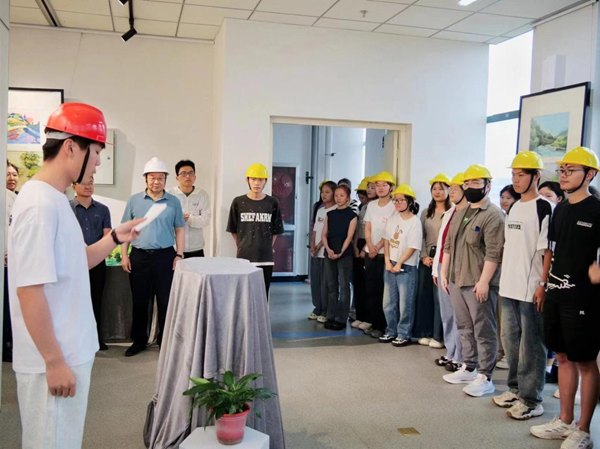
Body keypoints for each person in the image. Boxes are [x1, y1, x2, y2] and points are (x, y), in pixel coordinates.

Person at [8, 102, 143, 448]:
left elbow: (76, 260)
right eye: (96, 152)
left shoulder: (55, 199)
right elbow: (29, 291)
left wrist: (116, 237)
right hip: (55, 358)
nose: (98, 162)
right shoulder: (39, 206)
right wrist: (54, 361)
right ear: (71, 147)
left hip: (68, 351)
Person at [530, 147, 600, 449]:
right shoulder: (560, 209)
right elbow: (552, 249)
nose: (563, 175)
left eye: (571, 170)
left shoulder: (596, 210)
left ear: (590, 174)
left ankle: (583, 430)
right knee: (561, 356)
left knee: (584, 361)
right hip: (556, 293)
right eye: (562, 170)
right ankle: (565, 420)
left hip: (584, 298)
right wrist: (543, 283)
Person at [492, 151, 552, 420]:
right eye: (513, 175)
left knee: (532, 345)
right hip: (508, 285)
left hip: (531, 287)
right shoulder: (514, 206)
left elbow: (547, 250)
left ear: (536, 176)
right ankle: (516, 389)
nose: (515, 180)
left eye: (521, 175)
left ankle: (531, 399)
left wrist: (543, 283)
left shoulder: (544, 207)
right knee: (511, 342)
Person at [440, 164, 504, 397]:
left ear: (488, 186)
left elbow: (494, 252)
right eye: (467, 183)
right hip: (457, 280)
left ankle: (485, 376)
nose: (470, 187)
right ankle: (469, 366)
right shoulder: (460, 212)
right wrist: (444, 273)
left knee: (483, 329)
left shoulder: (493, 215)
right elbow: (448, 246)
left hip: (478, 282)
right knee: (464, 326)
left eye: (476, 183)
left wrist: (484, 281)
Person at [121, 157, 185, 357]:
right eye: (152, 178)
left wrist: (179, 254)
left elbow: (180, 229)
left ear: (165, 179)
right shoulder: (134, 200)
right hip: (139, 256)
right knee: (140, 301)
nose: (156, 182)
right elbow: (126, 229)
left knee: (165, 301)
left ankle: (164, 341)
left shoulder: (173, 202)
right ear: (146, 179)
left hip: (165, 257)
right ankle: (139, 340)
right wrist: (124, 255)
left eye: (160, 178)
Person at [227, 163, 284, 297]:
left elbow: (276, 230)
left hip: (266, 258)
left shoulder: (272, 202)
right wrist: (242, 246)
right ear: (247, 180)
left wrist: (266, 246)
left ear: (265, 181)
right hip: (244, 258)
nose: (257, 183)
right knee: (243, 295)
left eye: (260, 179)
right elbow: (233, 229)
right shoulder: (238, 202)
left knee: (262, 296)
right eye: (253, 179)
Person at [70, 177, 112, 351]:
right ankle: (75, 340)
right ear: (74, 186)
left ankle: (95, 339)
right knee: (73, 302)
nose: (88, 186)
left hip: (97, 262)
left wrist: (96, 252)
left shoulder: (103, 209)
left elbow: (107, 236)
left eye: (91, 182)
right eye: (83, 183)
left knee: (96, 300)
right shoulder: (66, 208)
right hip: (73, 263)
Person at [432, 173, 467, 372]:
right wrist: (436, 270)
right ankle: (451, 351)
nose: (451, 192)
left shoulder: (468, 213)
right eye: (450, 188)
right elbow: (441, 244)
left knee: (459, 314)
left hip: (458, 269)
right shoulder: (449, 213)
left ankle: (460, 356)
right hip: (442, 266)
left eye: (455, 189)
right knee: (446, 314)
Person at [379, 184, 422, 347]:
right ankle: (391, 331)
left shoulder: (415, 222)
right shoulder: (392, 219)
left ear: (409, 202)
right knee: (388, 303)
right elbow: (386, 240)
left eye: (400, 200)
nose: (397, 203)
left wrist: (399, 263)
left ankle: (404, 334)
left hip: (406, 267)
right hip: (390, 265)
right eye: (395, 200)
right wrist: (387, 261)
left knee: (405, 304)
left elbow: (413, 246)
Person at [414, 173, 451, 349]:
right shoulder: (425, 212)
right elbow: (420, 235)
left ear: (448, 191)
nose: (437, 192)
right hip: (427, 258)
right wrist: (423, 256)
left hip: (443, 258)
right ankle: (425, 332)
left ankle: (438, 335)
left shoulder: (452, 212)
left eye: (441, 189)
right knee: (424, 296)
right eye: (434, 189)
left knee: (439, 298)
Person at [321, 184, 357, 330]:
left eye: (342, 195)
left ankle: (341, 318)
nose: (338, 198)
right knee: (331, 285)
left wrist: (340, 252)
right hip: (330, 252)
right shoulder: (330, 214)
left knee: (344, 286)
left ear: (348, 197)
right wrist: (328, 249)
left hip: (344, 254)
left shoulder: (352, 216)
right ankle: (330, 315)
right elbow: (324, 234)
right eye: (336, 195)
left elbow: (349, 237)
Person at [496, 184, 521, 370]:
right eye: (502, 197)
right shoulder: (503, 217)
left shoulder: (516, 218)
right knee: (501, 318)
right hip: (501, 273)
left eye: (508, 198)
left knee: (513, 320)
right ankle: (502, 351)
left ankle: (510, 355)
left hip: (515, 274)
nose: (504, 201)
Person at [167, 160, 211, 258]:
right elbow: (163, 220)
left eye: (190, 173)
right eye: (183, 173)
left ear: (194, 177)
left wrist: (189, 219)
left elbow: (205, 220)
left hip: (196, 248)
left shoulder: (202, 195)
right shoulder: (169, 194)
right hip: (173, 248)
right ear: (177, 177)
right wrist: (177, 219)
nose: (187, 176)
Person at [309, 180, 337, 322]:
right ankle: (317, 307)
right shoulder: (320, 210)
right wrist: (312, 245)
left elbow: (328, 233)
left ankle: (326, 310)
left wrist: (319, 246)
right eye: (322, 192)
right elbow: (315, 230)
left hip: (326, 251)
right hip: (316, 252)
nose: (324, 195)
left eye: (327, 192)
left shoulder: (335, 210)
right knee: (315, 281)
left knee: (326, 282)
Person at [351, 177, 376, 326]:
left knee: (368, 284)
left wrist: (365, 247)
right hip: (359, 243)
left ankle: (369, 318)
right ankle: (359, 315)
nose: (367, 192)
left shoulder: (374, 207)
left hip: (369, 245)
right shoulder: (362, 207)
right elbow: (357, 229)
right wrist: (355, 246)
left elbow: (373, 231)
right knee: (358, 282)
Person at [3, 161, 18, 362]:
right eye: (7, 174)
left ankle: (9, 344)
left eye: (14, 174)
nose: (11, 178)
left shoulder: (16, 198)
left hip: (13, 263)